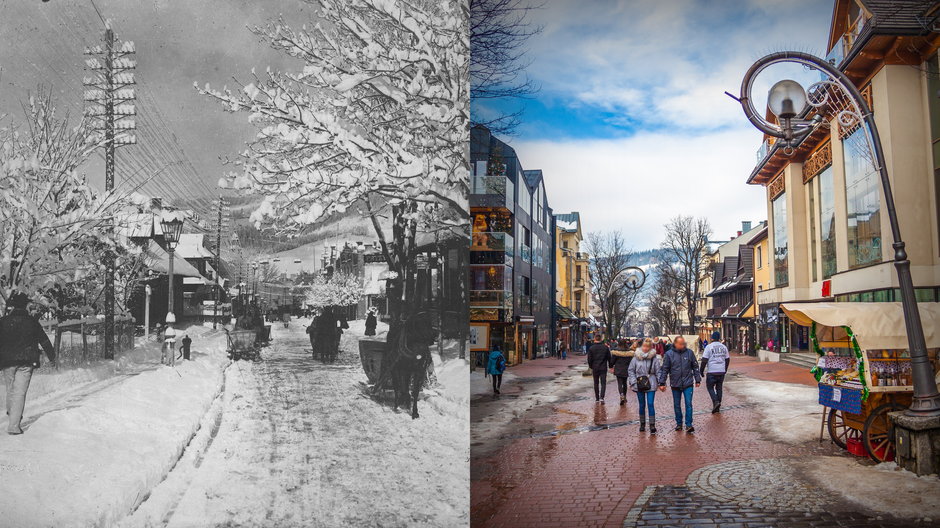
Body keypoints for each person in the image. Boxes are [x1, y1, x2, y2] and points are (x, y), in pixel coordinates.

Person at [0, 293, 56, 435]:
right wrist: (52, 357)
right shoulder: (32, 322)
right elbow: (44, 340)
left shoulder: (3, 321)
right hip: (27, 361)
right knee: (20, 392)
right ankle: (14, 425)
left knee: (10, 389)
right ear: (25, 305)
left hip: (7, 361)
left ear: (13, 306)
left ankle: (12, 413)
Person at [657, 336, 701, 433]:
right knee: (677, 405)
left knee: (688, 404)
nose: (683, 345)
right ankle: (679, 424)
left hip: (688, 383)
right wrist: (662, 382)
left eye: (683, 343)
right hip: (675, 383)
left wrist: (697, 379)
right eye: (681, 343)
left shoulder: (689, 353)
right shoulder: (669, 354)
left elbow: (695, 366)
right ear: (675, 343)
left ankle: (689, 424)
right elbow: (665, 369)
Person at [628, 338, 660, 434]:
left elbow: (658, 371)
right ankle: (642, 424)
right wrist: (633, 382)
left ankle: (652, 424)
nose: (645, 348)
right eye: (644, 346)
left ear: (650, 347)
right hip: (639, 383)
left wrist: (661, 383)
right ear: (642, 346)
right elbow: (631, 370)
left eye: (647, 347)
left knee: (650, 404)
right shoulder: (635, 358)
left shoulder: (654, 358)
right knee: (641, 405)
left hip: (651, 383)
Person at [700, 331, 730, 413]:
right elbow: (727, 359)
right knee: (719, 388)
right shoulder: (724, 347)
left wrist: (701, 371)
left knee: (710, 387)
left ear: (712, 338)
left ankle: (715, 401)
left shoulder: (709, 347)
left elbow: (704, 360)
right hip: (721, 371)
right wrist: (725, 369)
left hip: (712, 371)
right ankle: (718, 405)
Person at [586, 334, 611, 403]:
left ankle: (597, 398)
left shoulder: (591, 348)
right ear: (601, 339)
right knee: (603, 383)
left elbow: (589, 359)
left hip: (595, 367)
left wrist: (591, 366)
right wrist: (611, 365)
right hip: (603, 367)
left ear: (595, 339)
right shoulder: (605, 348)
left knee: (596, 383)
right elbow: (609, 358)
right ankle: (602, 397)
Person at [609, 338, 634, 406]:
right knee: (624, 383)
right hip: (626, 369)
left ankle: (621, 395)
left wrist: (611, 366)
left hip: (618, 369)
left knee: (619, 383)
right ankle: (625, 396)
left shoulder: (616, 352)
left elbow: (612, 361)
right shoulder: (629, 352)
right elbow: (631, 361)